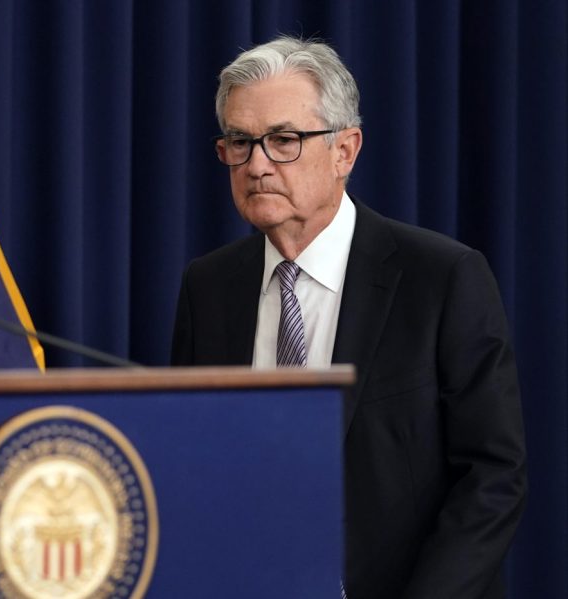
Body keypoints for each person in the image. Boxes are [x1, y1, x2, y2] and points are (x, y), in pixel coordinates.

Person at [171, 36, 526, 599]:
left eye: (283, 140)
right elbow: (192, 464)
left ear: (345, 150)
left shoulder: (442, 278)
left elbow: (492, 478)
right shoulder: (208, 286)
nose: (256, 164)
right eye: (240, 142)